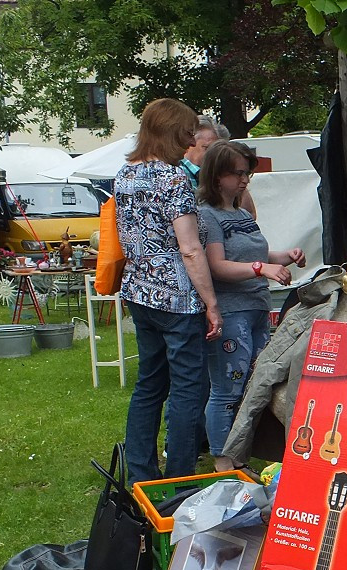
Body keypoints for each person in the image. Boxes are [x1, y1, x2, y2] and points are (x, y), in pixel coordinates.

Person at [116, 98, 222, 483]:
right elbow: (190, 248)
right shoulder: (174, 178)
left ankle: (140, 474)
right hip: (177, 298)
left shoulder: (124, 174)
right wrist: (211, 303)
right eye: (189, 130)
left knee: (149, 383)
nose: (192, 138)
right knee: (187, 389)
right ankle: (178, 477)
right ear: (173, 132)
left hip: (139, 292)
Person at [198, 141, 305, 472]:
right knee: (228, 388)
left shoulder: (242, 215)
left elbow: (253, 254)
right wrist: (262, 269)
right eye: (238, 173)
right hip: (231, 312)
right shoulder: (207, 216)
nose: (246, 179)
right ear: (217, 177)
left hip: (256, 308)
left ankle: (242, 453)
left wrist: (283, 256)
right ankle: (222, 460)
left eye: (248, 172)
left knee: (255, 384)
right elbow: (216, 265)